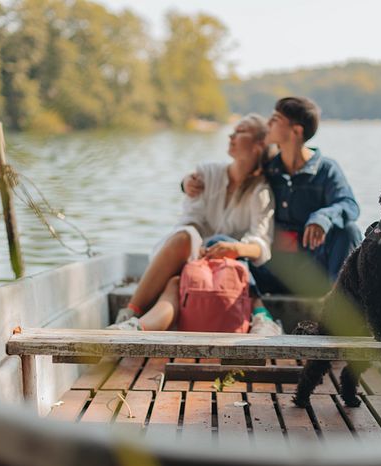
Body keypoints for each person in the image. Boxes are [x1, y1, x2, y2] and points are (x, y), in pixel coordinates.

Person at [113, 114, 281, 335]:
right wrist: (203, 253)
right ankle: (129, 317)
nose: (231, 135)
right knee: (185, 237)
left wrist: (233, 249)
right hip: (192, 259)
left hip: (231, 269)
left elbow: (261, 243)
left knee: (178, 282)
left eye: (240, 131)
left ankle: (135, 327)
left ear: (259, 145)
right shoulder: (206, 174)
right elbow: (189, 220)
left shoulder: (261, 191)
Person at [184, 97, 362, 295]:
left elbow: (349, 204)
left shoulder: (326, 169)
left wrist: (323, 218)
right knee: (218, 242)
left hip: (314, 270)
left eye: (275, 119)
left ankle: (339, 305)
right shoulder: (268, 168)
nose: (268, 124)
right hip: (270, 270)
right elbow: (231, 174)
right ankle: (255, 304)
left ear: (296, 131)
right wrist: (186, 183)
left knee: (349, 231)